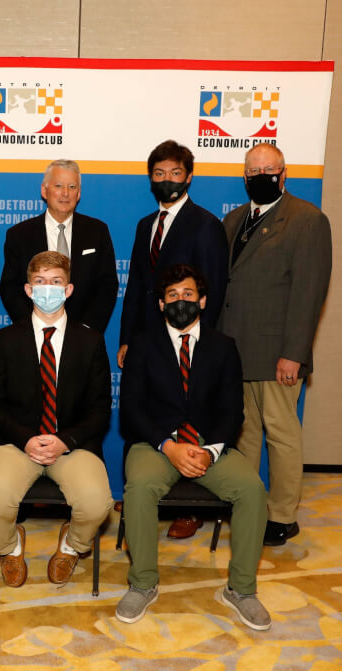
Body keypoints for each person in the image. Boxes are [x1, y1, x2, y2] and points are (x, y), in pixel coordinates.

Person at [116, 263, 270, 631]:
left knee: (252, 490)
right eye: (172, 296)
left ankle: (242, 590)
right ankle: (143, 583)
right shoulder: (142, 345)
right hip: (156, 443)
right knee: (140, 487)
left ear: (202, 300)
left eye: (188, 294)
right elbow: (132, 411)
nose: (180, 301)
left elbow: (233, 411)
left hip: (208, 443)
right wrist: (169, 447)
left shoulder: (224, 347)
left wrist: (210, 450)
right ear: (160, 304)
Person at [219, 143, 332, 546]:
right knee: (245, 435)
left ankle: (282, 516)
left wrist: (294, 353)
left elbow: (309, 293)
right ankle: (249, 506)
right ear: (245, 176)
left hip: (276, 354)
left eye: (270, 169)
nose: (262, 175)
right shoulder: (234, 220)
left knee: (281, 435)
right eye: (254, 170)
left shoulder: (307, 220)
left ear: (284, 174)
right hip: (236, 352)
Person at [117, 139, 230, 540]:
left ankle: (190, 506)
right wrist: (128, 338)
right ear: (151, 178)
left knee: (189, 415)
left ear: (189, 177)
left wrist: (199, 345)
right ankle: (141, 492)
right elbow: (137, 288)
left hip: (187, 342)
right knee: (145, 412)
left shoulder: (206, 225)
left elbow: (211, 291)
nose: (167, 180)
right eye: (159, 173)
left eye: (175, 173)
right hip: (148, 342)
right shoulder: (145, 225)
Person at [0, 251, 113, 587]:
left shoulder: (91, 341)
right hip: (17, 443)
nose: (48, 289)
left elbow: (100, 408)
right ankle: (10, 548)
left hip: (72, 445)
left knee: (97, 504)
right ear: (28, 289)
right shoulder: (5, 340)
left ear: (68, 289)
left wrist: (64, 441)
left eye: (56, 282)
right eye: (40, 282)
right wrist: (26, 439)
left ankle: (71, 546)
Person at [0, 160, 118, 333]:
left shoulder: (97, 231)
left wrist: (86, 330)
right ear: (44, 190)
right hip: (34, 334)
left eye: (72, 187)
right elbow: (10, 287)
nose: (65, 193)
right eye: (58, 186)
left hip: (84, 336)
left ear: (78, 193)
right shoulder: (19, 234)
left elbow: (107, 286)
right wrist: (34, 327)